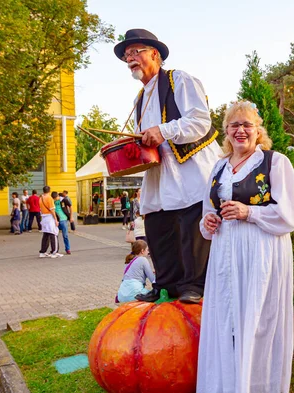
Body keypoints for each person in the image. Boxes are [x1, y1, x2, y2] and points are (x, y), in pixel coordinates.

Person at [198, 100, 294, 393]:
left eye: (247, 125)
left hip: (261, 254)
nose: (240, 130)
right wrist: (209, 223)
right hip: (224, 256)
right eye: (234, 125)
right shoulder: (218, 167)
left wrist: (249, 212)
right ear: (226, 131)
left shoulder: (275, 162)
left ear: (258, 131)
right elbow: (208, 213)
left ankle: (256, 386)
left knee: (258, 323)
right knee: (226, 320)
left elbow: (289, 215)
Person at [115, 30, 221, 304]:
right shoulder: (139, 99)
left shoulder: (179, 80)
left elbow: (200, 121)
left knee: (190, 224)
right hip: (159, 173)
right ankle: (165, 284)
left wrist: (163, 130)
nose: (130, 58)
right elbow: (145, 139)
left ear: (155, 54)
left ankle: (194, 285)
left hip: (190, 168)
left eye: (135, 51)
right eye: (127, 55)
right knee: (157, 224)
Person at [39, 186, 61, 258]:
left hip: (44, 217)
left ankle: (43, 252)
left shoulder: (40, 198)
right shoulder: (49, 198)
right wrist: (56, 219)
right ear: (49, 191)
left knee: (45, 235)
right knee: (53, 233)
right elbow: (52, 210)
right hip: (49, 217)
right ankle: (54, 252)